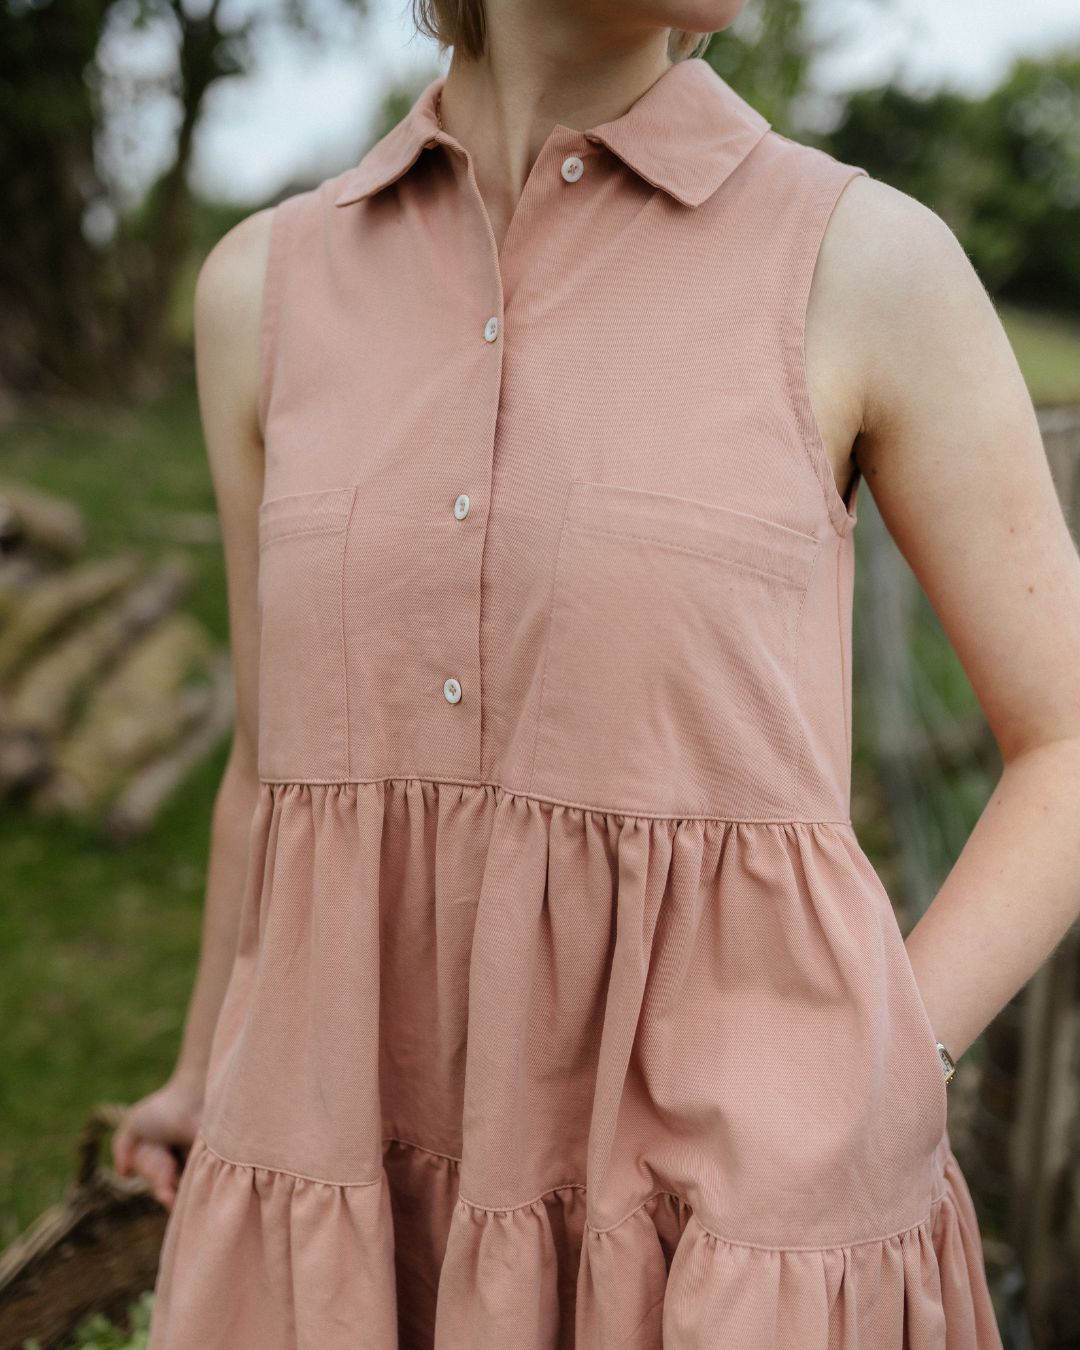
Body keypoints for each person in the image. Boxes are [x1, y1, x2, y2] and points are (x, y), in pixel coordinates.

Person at [114, 2, 1080, 1346]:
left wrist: (882, 1068)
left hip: (723, 1228)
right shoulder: (259, 291)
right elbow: (276, 765)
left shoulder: (865, 263)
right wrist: (197, 1062)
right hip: (347, 1170)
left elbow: (1068, 739)